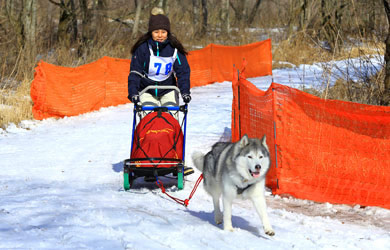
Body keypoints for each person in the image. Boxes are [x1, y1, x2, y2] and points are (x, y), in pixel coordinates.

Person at [127, 8, 194, 177]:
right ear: (151, 32)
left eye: (163, 31)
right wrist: (133, 92)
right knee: (149, 122)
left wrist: (185, 92)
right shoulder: (142, 49)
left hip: (168, 90)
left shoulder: (174, 49)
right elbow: (134, 72)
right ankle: (147, 161)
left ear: (167, 32)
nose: (160, 35)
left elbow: (183, 72)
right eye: (156, 31)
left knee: (171, 122)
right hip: (147, 89)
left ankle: (176, 159)